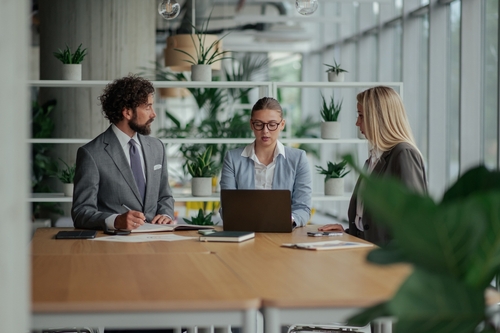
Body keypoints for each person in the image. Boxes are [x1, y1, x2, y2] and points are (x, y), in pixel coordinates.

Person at [319, 86, 427, 245]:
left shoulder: (403, 154)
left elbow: (414, 220)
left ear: (379, 118)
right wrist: (347, 233)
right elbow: (370, 222)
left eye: (361, 116)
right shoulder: (374, 158)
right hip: (365, 251)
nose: (357, 123)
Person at [72, 75, 175, 231]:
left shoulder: (157, 147)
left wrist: (166, 215)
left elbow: (165, 196)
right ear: (127, 112)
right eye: (147, 107)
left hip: (157, 243)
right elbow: (81, 212)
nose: (153, 114)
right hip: (115, 246)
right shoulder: (91, 154)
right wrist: (115, 221)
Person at [220, 97, 312, 227]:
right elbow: (227, 207)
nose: (265, 131)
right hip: (244, 231)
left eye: (272, 124)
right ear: (251, 124)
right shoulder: (233, 159)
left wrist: (286, 220)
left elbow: (303, 208)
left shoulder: (298, 159)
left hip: (283, 232)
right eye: (259, 124)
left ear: (282, 125)